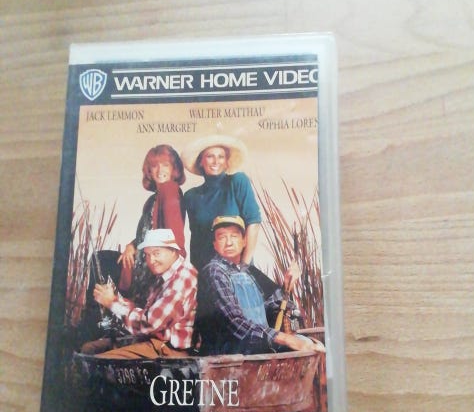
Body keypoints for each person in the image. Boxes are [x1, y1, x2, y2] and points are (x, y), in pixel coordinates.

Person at [195, 215, 323, 356]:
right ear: (214, 244)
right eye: (222, 237)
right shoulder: (214, 271)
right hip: (229, 353)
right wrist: (285, 339)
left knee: (313, 344)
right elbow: (236, 323)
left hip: (255, 348)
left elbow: (272, 306)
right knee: (300, 345)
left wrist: (286, 290)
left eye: (234, 236)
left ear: (244, 241)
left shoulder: (248, 271)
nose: (229, 243)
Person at [81, 229, 197, 359]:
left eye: (156, 253)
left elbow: (149, 324)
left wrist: (112, 303)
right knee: (89, 349)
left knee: (98, 360)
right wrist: (113, 298)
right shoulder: (165, 274)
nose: (151, 260)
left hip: (168, 349)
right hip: (152, 341)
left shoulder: (182, 278)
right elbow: (145, 312)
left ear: (173, 251)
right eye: (147, 255)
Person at [118, 144, 186, 304]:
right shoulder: (152, 199)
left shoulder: (170, 190)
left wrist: (172, 272)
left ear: (174, 169)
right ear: (149, 171)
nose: (160, 170)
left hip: (154, 266)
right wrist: (131, 245)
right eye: (155, 166)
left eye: (165, 165)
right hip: (143, 263)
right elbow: (145, 232)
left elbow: (174, 237)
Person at [181, 135, 261, 271]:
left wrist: (244, 266)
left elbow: (253, 223)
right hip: (205, 268)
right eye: (210, 156)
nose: (215, 161)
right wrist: (196, 273)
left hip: (237, 266)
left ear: (226, 162)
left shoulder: (238, 181)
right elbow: (195, 239)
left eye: (221, 157)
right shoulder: (191, 196)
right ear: (200, 161)